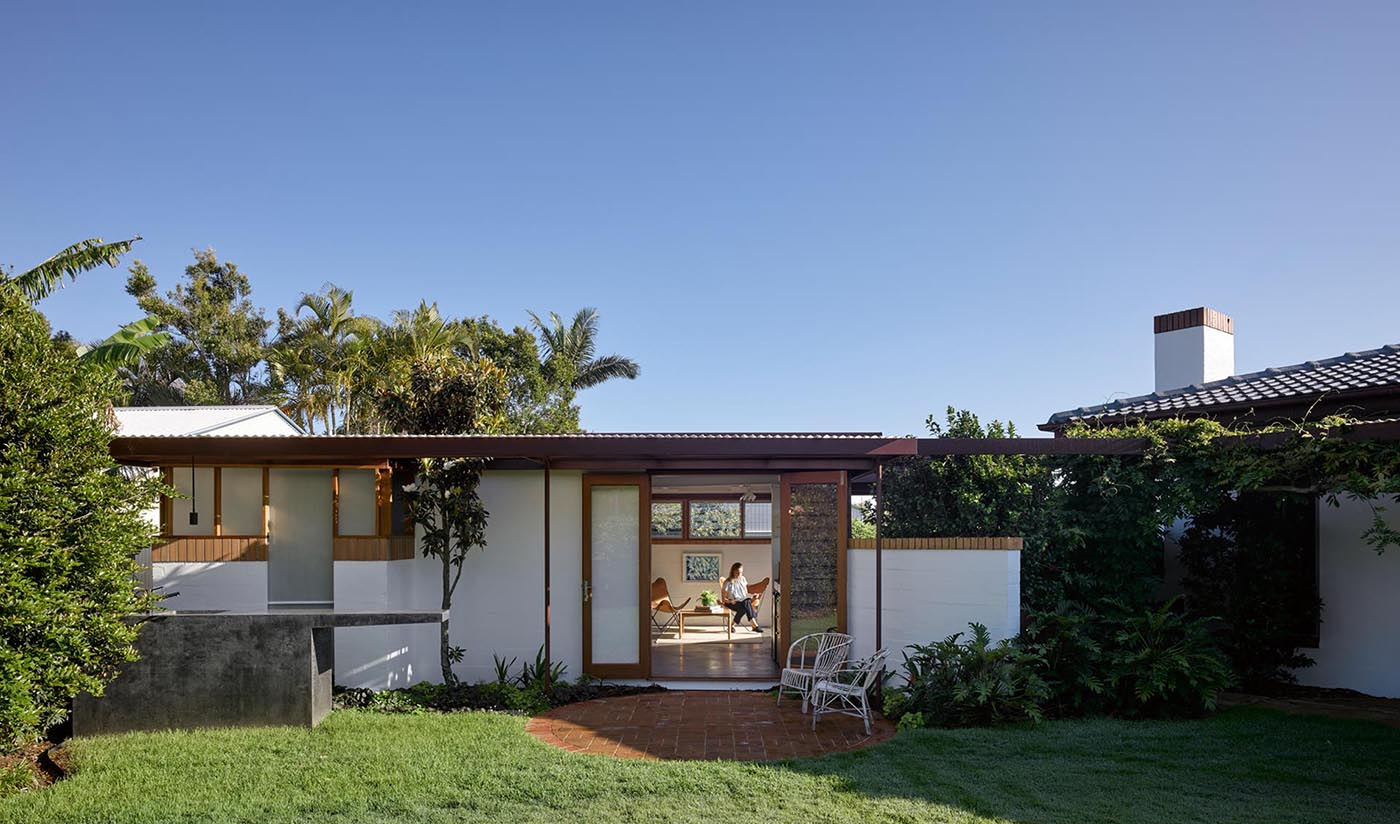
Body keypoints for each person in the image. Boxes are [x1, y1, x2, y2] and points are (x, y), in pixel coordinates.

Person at [721, 562, 761, 632]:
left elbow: (745, 594)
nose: (739, 575)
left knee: (744, 605)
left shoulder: (743, 579)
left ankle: (731, 626)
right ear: (733, 571)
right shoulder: (727, 583)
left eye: (741, 572)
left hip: (742, 601)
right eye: (737, 572)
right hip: (731, 602)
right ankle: (754, 625)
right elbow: (724, 599)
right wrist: (731, 601)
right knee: (745, 604)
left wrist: (753, 596)